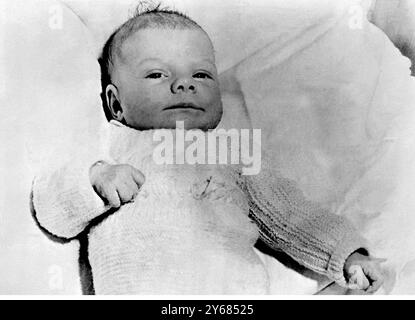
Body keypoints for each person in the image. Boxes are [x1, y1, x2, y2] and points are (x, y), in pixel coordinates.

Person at [31, 7, 384, 294]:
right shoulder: (111, 144)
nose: (183, 83)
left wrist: (346, 254)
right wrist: (96, 181)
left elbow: (292, 216)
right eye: (156, 74)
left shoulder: (232, 153)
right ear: (116, 103)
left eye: (201, 75)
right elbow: (51, 204)